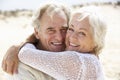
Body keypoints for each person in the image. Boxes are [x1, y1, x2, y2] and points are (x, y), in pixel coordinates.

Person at [17, 7, 106, 80]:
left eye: (82, 33)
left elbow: (24, 54)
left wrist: (21, 45)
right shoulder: (92, 61)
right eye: (70, 29)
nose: (72, 37)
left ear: (95, 41)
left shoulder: (77, 61)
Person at [2, 3, 70, 80]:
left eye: (64, 29)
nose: (60, 37)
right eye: (51, 30)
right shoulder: (22, 67)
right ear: (37, 32)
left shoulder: (77, 53)